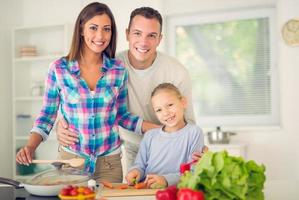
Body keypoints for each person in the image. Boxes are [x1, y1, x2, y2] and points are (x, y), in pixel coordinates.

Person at [15, 2, 154, 183]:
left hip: (109, 164)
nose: (100, 35)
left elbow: (122, 116)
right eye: (93, 28)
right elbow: (47, 115)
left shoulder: (118, 70)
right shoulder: (59, 69)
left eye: (106, 29)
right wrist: (31, 146)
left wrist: (161, 129)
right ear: (81, 29)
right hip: (71, 162)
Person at [56, 7, 203, 171]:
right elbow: (84, 100)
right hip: (131, 148)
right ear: (127, 34)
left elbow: (188, 122)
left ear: (159, 39)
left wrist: (194, 146)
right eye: (137, 33)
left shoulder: (177, 72)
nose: (143, 42)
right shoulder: (112, 66)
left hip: (170, 148)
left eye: (151, 35)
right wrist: (61, 125)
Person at [126, 83, 204, 188]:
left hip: (176, 191)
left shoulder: (194, 132)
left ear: (183, 102)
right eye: (159, 110)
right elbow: (140, 165)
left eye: (170, 105)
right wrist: (135, 172)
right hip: (147, 190)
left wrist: (165, 180)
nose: (166, 113)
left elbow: (193, 171)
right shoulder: (150, 136)